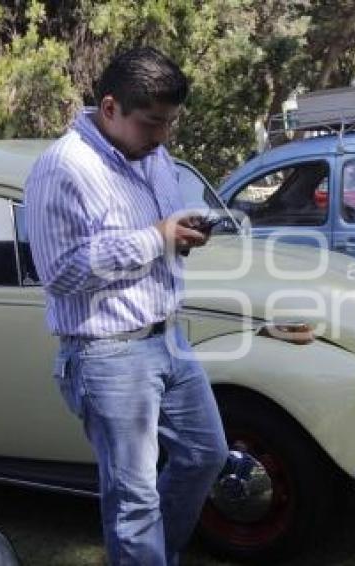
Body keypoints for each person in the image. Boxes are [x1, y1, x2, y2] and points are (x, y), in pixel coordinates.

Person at [25, 47, 233, 565]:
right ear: (111, 106)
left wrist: (179, 234)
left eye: (169, 124)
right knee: (134, 500)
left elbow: (157, 232)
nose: (162, 136)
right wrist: (155, 238)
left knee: (206, 454)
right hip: (108, 355)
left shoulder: (153, 155)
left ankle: (160, 555)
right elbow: (62, 272)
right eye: (152, 124)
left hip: (168, 338)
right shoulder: (62, 168)